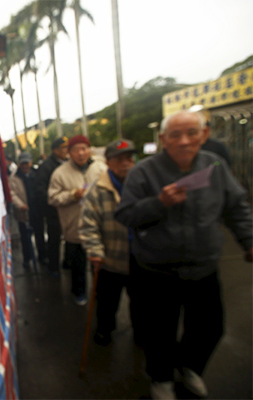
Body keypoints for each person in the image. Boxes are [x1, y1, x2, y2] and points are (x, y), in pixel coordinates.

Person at [115, 110, 252, 400]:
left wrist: (248, 241)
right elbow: (126, 215)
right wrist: (159, 202)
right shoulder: (143, 172)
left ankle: (190, 367)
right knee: (158, 333)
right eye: (175, 135)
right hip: (156, 271)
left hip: (204, 267)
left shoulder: (215, 166)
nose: (184, 141)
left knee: (210, 328)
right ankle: (161, 379)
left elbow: (237, 207)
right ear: (163, 140)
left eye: (192, 132)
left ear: (204, 135)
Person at [78, 139, 139, 346]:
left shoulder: (142, 184)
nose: (125, 163)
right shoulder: (97, 189)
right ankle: (105, 329)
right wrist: (95, 251)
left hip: (140, 258)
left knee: (141, 303)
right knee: (106, 303)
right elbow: (88, 225)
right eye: (119, 159)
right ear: (108, 161)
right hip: (108, 260)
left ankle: (141, 332)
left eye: (129, 158)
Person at [48, 135, 106, 305]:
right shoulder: (59, 173)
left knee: (100, 265)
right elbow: (52, 198)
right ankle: (78, 292)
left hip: (99, 226)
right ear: (69, 153)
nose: (81, 153)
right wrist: (73, 194)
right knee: (78, 266)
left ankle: (100, 294)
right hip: (75, 228)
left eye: (84, 148)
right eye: (76, 150)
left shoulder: (101, 168)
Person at [34, 136, 69, 275]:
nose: (66, 150)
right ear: (55, 150)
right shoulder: (46, 166)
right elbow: (40, 189)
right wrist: (52, 204)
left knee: (69, 237)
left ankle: (67, 262)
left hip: (67, 207)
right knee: (54, 238)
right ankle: (53, 266)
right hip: (53, 209)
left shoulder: (66, 163)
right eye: (63, 148)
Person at [9, 152, 38, 270]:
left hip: (36, 211)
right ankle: (27, 259)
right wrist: (21, 205)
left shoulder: (35, 174)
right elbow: (12, 194)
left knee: (39, 235)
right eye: (23, 163)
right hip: (23, 212)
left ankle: (41, 256)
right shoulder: (14, 178)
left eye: (27, 163)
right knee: (25, 238)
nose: (25, 166)